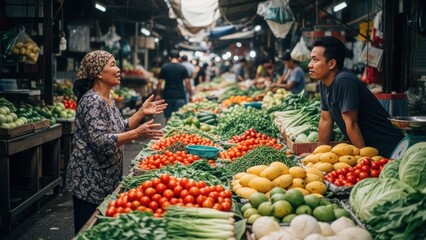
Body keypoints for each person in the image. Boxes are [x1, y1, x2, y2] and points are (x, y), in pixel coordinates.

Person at [67, 50, 167, 234]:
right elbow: (100, 141)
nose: (118, 69)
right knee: (88, 232)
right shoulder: (92, 101)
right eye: (112, 64)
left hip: (106, 177)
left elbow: (119, 127)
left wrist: (141, 113)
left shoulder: (108, 98)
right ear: (98, 72)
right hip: (89, 180)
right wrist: (136, 134)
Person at [308, 36, 404, 158]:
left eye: (315, 60)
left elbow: (352, 124)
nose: (310, 65)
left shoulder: (344, 81)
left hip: (389, 149)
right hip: (369, 149)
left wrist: (363, 160)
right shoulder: (324, 82)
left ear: (331, 63)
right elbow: (325, 120)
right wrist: (318, 156)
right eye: (311, 60)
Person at [155, 50, 191, 123]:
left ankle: (167, 133)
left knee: (168, 117)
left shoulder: (164, 67)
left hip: (167, 95)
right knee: (179, 118)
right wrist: (190, 94)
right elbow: (187, 82)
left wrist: (158, 94)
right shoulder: (182, 68)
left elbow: (159, 82)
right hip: (180, 95)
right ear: (179, 58)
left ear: (169, 58)